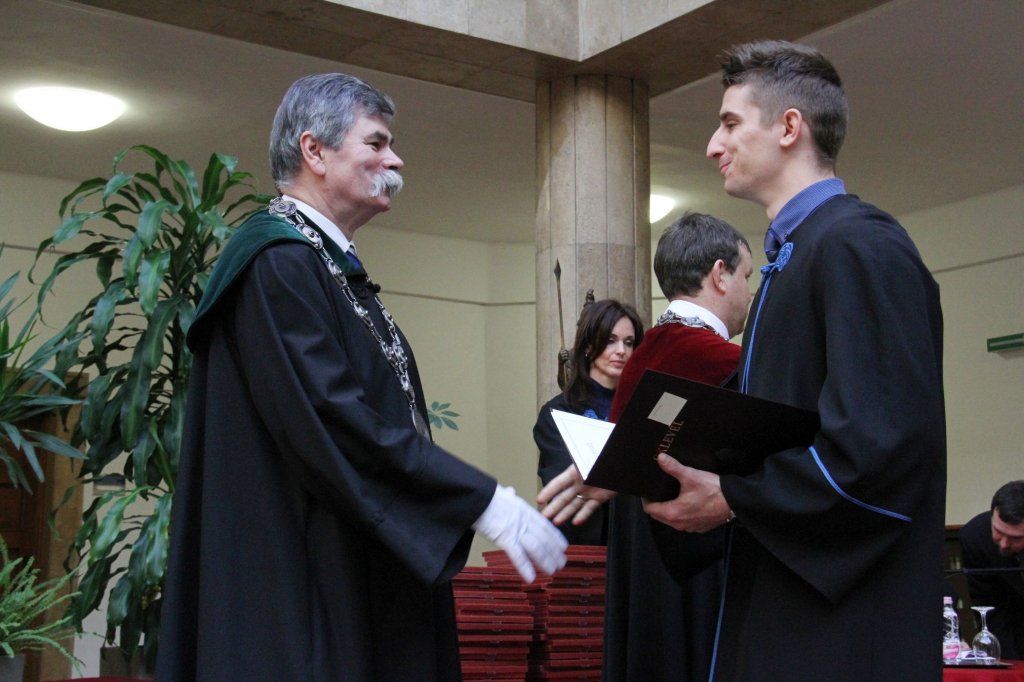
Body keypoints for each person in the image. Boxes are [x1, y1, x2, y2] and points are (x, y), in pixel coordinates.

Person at [156, 73, 567, 681]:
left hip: (348, 566)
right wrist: (478, 499)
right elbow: (334, 420)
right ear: (314, 151)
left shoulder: (324, 264)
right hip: (304, 585)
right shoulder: (278, 264)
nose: (395, 160)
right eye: (376, 143)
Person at [641, 40, 946, 681]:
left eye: (730, 123)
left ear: (788, 127)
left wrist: (734, 498)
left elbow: (880, 447)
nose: (712, 145)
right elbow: (772, 429)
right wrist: (634, 461)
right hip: (788, 593)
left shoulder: (860, 247)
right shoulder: (796, 260)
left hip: (845, 624)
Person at [540, 212, 753, 681]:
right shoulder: (728, 363)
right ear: (720, 275)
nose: (749, 292)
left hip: (642, 576)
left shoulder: (649, 353)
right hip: (702, 576)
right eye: (746, 275)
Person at [534, 299, 644, 545]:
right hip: (584, 543)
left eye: (629, 342)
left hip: (638, 538)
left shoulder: (643, 406)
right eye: (610, 340)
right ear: (587, 346)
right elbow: (564, 484)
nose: (621, 351)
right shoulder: (558, 411)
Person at [960, 480, 1024, 659]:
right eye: (998, 532)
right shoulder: (975, 537)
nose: (1004, 544)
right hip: (1008, 626)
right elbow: (988, 607)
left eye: (1015, 538)